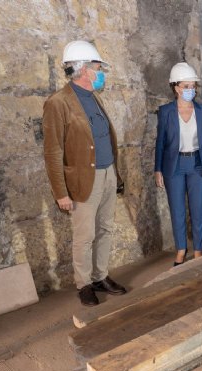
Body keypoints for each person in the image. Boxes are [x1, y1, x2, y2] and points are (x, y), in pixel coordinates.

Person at [43, 40, 126, 306]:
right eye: (97, 67)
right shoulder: (58, 102)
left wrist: (116, 173)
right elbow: (53, 152)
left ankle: (101, 276)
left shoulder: (94, 97)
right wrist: (61, 193)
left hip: (107, 173)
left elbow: (103, 138)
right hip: (82, 181)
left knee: (105, 228)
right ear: (82, 69)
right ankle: (84, 283)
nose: (101, 72)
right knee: (84, 235)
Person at [154, 62, 202, 266]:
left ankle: (198, 250)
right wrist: (158, 169)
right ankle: (181, 250)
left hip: (198, 165)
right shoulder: (165, 112)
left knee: (198, 208)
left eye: (193, 86)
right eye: (186, 86)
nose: (190, 90)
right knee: (177, 209)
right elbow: (161, 142)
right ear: (176, 88)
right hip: (174, 166)